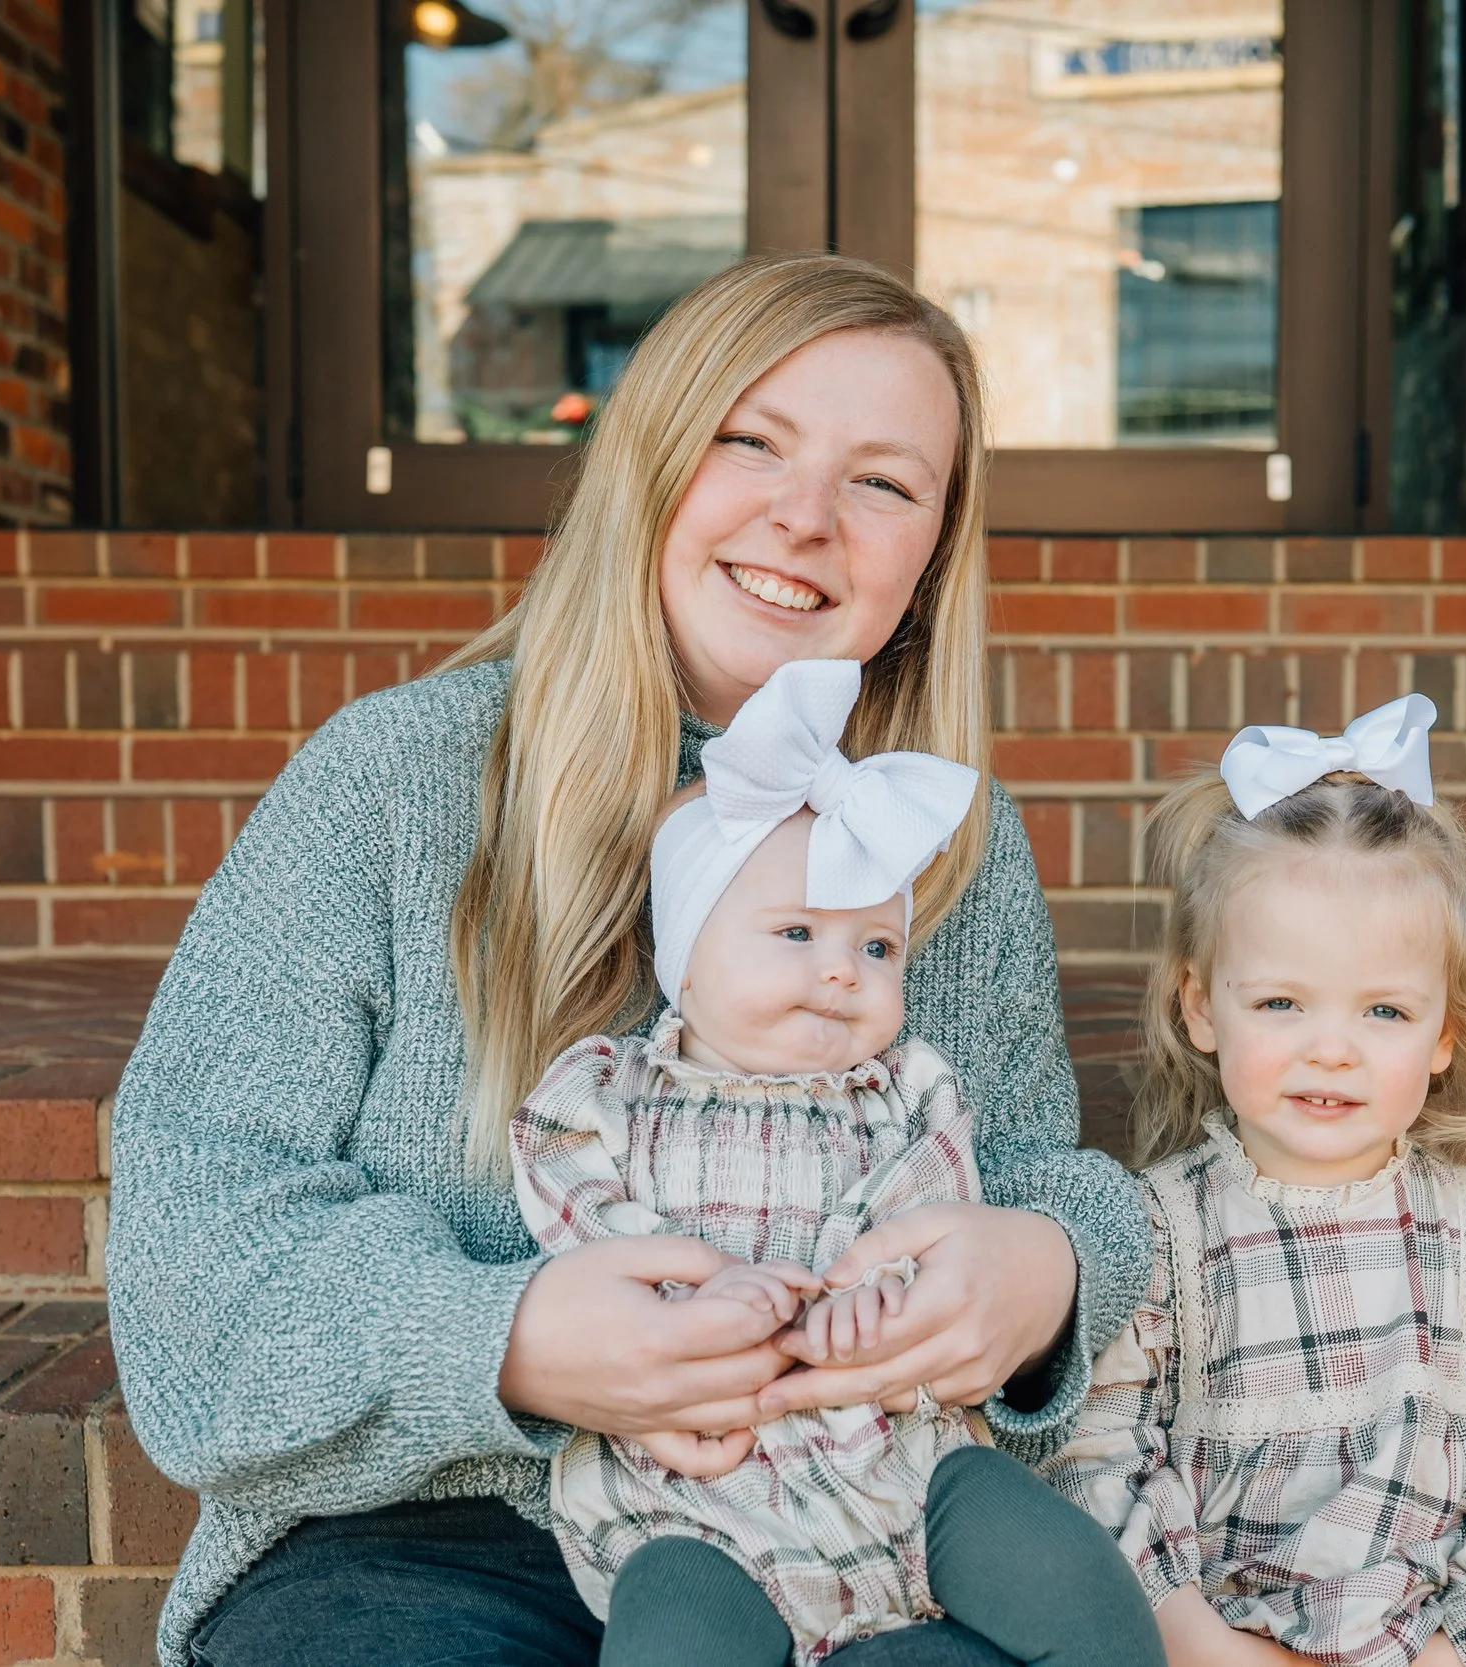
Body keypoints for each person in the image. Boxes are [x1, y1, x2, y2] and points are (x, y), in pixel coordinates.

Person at [106, 254, 1153, 1667]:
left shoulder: (934, 830)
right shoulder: (393, 781)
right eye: (752, 439)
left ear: (929, 559)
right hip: (434, 1529)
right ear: (649, 460)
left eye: (884, 482)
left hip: (859, 1517)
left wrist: (1046, 1265)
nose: (806, 516)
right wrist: (509, 1333)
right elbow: (196, 1244)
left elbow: (1025, 1161)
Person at [514, 658, 1158, 1667]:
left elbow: (931, 1209)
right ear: (686, 957)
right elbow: (566, 1189)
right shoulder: (610, 1092)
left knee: (1084, 1594)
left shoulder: (909, 1089)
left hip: (902, 1457)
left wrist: (882, 1289)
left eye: (875, 949)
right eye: (797, 932)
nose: (837, 968)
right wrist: (683, 1282)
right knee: (670, 1640)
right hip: (697, 1495)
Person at [1046, 696, 1466, 1667]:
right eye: (1280, 1000)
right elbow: (1097, 1460)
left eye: (1383, 1010)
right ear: (1200, 1005)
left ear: (1443, 1031)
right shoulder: (1151, 1233)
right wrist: (1201, 1647)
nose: (1331, 1049)